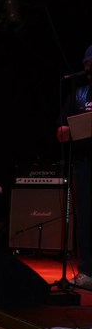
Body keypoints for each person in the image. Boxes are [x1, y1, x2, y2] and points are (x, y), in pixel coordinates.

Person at [57, 45, 92, 290]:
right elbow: (60, 132)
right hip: (84, 165)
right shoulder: (77, 95)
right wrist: (70, 130)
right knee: (84, 219)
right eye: (88, 64)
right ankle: (87, 271)